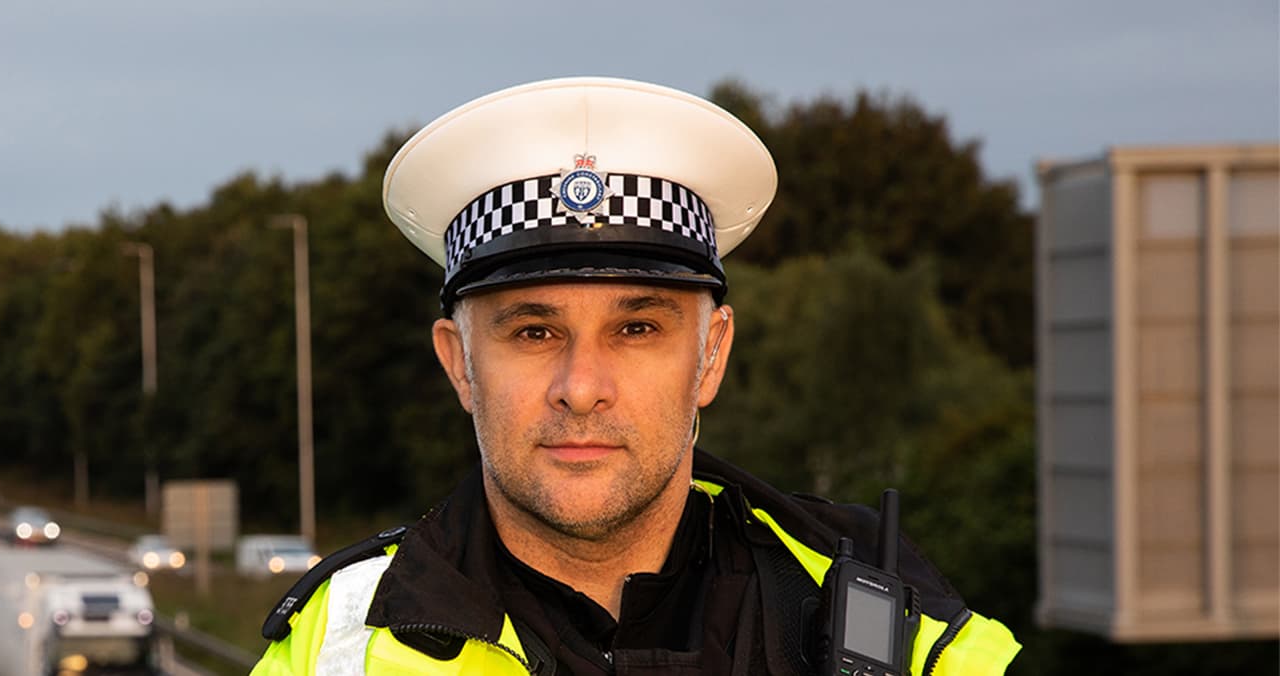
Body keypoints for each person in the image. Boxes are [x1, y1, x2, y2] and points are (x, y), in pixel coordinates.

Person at [251, 77, 1020, 675]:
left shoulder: (904, 637)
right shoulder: (335, 645)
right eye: (534, 331)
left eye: (637, 329)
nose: (582, 386)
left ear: (710, 355)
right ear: (460, 364)